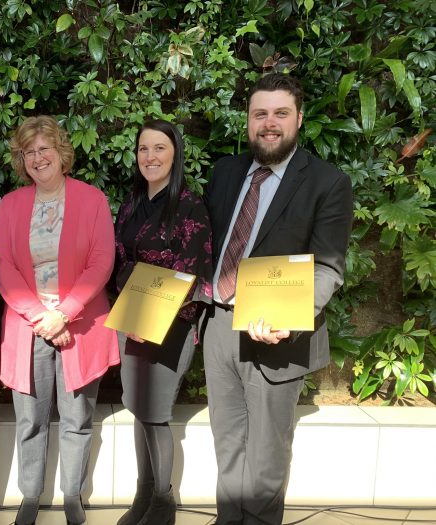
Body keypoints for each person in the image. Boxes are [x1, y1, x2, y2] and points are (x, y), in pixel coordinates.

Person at [201, 73, 353, 524]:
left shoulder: (328, 182)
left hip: (277, 335)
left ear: (299, 119)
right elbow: (205, 245)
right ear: (248, 121)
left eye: (280, 114)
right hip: (219, 327)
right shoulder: (226, 172)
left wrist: (298, 315)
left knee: (266, 459)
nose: (270, 123)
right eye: (260, 114)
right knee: (227, 445)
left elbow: (328, 265)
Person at [0, 115, 119, 525]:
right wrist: (41, 316)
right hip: (27, 324)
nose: (37, 157)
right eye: (28, 152)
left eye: (44, 149)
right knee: (29, 419)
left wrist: (63, 313)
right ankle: (30, 496)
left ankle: (72, 495)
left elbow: (102, 260)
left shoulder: (92, 199)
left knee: (77, 418)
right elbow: (5, 267)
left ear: (61, 152)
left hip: (79, 326)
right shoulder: (11, 204)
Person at [113, 120, 213, 525]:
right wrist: (133, 314)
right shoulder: (130, 204)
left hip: (172, 323)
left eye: (159, 148)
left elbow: (194, 269)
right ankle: (142, 494)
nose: (150, 157)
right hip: (132, 319)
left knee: (156, 412)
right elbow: (117, 260)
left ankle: (163, 502)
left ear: (175, 153)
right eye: (143, 149)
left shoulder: (190, 204)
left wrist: (151, 315)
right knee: (138, 408)